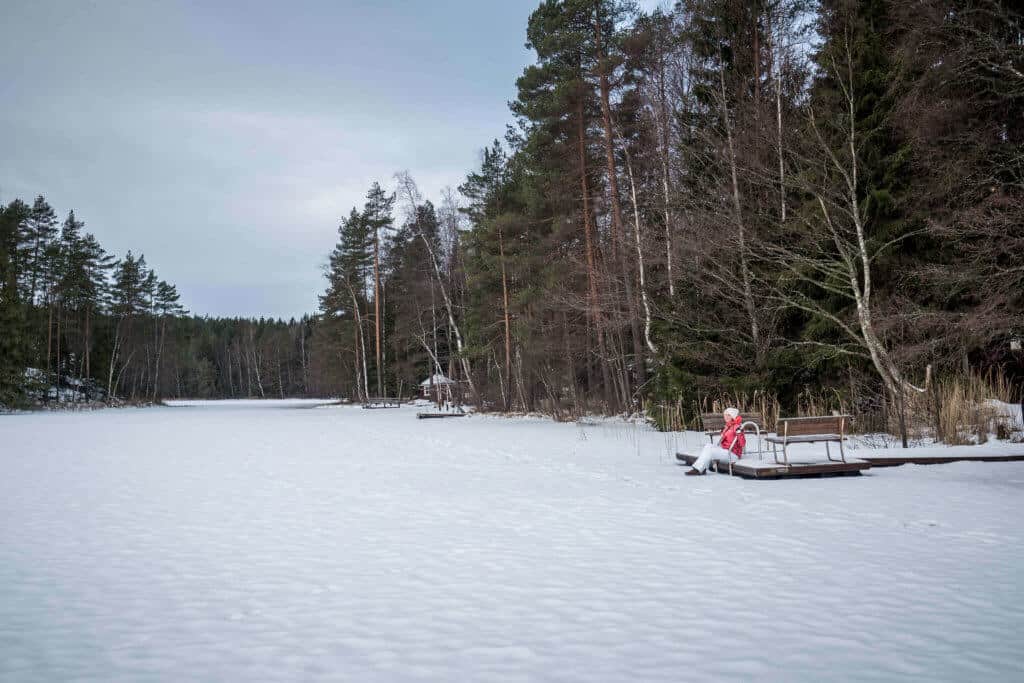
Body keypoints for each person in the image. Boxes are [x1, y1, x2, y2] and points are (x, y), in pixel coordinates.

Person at [686, 407, 746, 475]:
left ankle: (698, 469)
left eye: (728, 415)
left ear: (732, 416)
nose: (725, 417)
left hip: (733, 454)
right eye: (725, 415)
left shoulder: (737, 427)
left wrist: (739, 433)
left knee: (711, 451)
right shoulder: (728, 426)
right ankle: (701, 468)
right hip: (725, 450)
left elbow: (742, 444)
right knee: (708, 446)